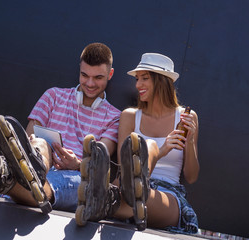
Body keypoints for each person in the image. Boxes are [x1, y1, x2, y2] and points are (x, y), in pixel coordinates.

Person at [0, 42, 121, 214]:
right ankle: (15, 173)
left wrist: (78, 164)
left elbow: (99, 162)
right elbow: (25, 143)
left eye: (98, 78)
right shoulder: (53, 96)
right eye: (84, 75)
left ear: (110, 74)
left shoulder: (115, 117)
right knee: (39, 143)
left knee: (80, 184)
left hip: (76, 177)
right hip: (38, 166)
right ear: (79, 70)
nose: (90, 83)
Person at [76, 53, 199, 234]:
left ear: (162, 81)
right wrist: (162, 149)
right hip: (126, 189)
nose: (137, 85)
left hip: (167, 193)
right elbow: (123, 167)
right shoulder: (130, 116)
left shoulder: (186, 117)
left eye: (144, 79)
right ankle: (119, 195)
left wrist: (190, 141)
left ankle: (104, 201)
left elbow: (191, 177)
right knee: (146, 152)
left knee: (140, 190)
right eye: (137, 79)